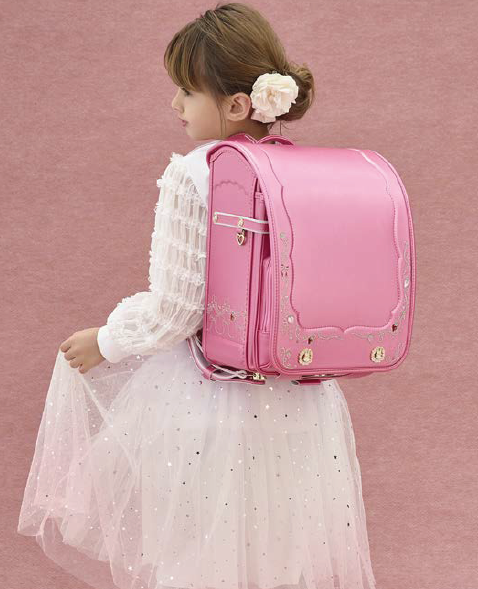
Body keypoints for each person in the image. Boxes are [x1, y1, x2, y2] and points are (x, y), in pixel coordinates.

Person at [17, 3, 378, 589]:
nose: (175, 104)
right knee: (275, 551)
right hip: (302, 395)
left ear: (235, 105)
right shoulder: (304, 169)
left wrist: (105, 340)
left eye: (187, 90)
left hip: (217, 395)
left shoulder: (196, 172)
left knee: (203, 551)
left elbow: (176, 310)